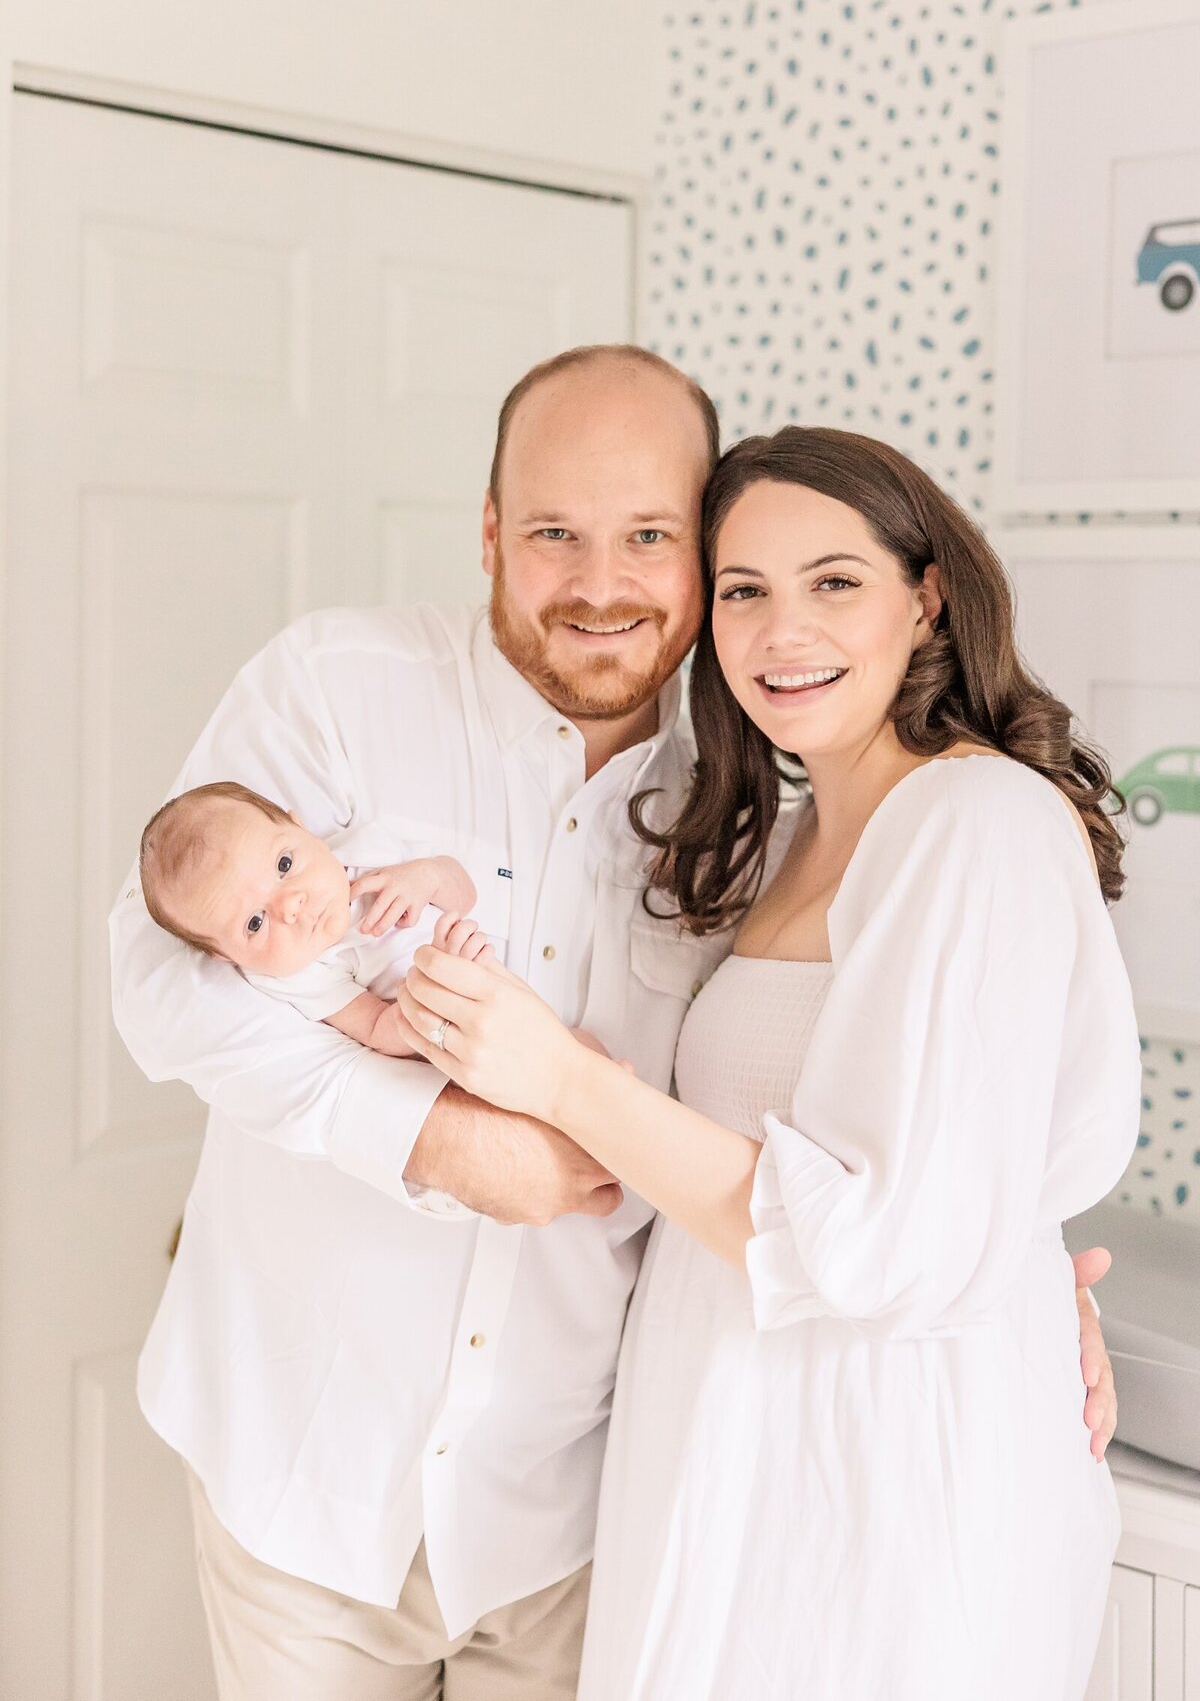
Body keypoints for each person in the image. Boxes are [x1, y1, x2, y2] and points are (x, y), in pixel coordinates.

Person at [109, 355, 1116, 1700]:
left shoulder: (758, 791)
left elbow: (899, 1124)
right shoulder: (337, 689)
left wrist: (1011, 1276)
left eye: (650, 537)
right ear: (487, 532)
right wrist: (434, 1138)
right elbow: (162, 975)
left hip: (582, 1506)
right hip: (310, 1471)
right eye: (552, 535)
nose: (600, 582)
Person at [397, 425, 1141, 1701]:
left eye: (833, 581)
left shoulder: (975, 824)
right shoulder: (793, 834)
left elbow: (892, 1241)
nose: (781, 630)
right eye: (744, 590)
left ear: (926, 598)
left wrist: (562, 1079)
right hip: (728, 1439)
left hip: (886, 1479)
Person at [138, 779, 492, 1060]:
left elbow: (467, 894)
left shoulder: (372, 850)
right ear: (227, 956)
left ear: (301, 828)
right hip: (455, 1031)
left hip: (503, 983)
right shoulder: (301, 974)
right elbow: (375, 1027)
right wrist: (436, 993)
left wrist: (428, 877)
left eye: (284, 865)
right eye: (255, 923)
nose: (291, 906)